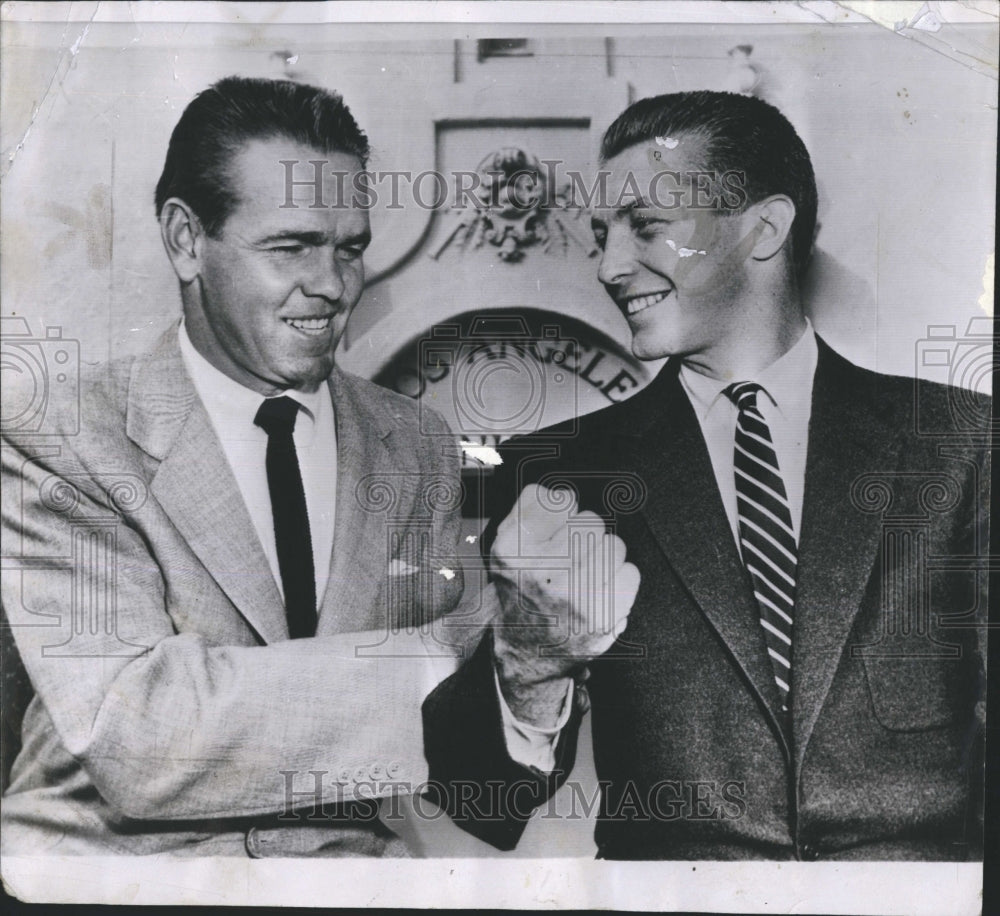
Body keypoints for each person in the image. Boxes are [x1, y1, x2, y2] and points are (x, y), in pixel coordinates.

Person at [422, 90, 989, 860]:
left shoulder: (965, 445)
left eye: (646, 227)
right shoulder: (556, 474)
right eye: (602, 236)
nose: (610, 266)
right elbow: (477, 800)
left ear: (764, 228)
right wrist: (527, 664)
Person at [0, 76, 468, 857]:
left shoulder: (416, 444)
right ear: (186, 239)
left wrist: (535, 678)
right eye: (291, 247)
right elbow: (139, 739)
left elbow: (471, 747)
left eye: (350, 248)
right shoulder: (60, 436)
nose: (332, 286)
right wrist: (447, 666)